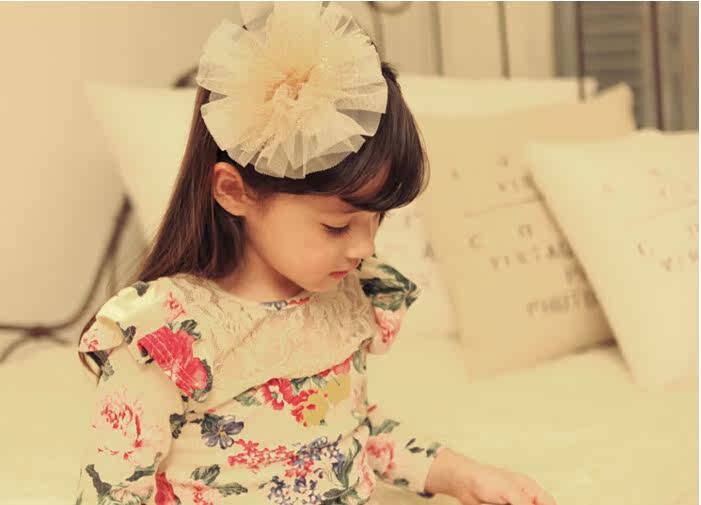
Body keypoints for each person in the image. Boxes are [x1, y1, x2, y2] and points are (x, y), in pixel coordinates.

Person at [74, 3, 557, 505]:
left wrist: (463, 475)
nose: (365, 247)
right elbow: (113, 491)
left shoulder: (344, 301)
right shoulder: (167, 332)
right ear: (234, 191)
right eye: (337, 225)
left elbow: (352, 433)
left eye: (377, 220)